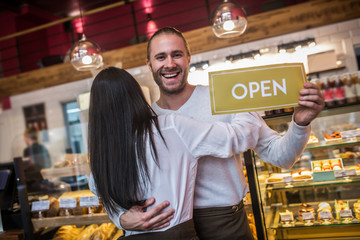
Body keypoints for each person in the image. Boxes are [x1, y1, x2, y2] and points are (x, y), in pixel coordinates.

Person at [114, 27, 325, 239]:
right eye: (161, 57)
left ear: (188, 58)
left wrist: (299, 124)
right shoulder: (143, 120)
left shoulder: (226, 100)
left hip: (227, 226)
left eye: (176, 54)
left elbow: (282, 156)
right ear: (149, 64)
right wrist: (121, 217)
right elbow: (115, 181)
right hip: (171, 229)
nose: (170, 63)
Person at [88, 67, 277, 239]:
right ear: (136, 95)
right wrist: (243, 102)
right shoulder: (170, 126)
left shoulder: (102, 152)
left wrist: (120, 218)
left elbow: (99, 192)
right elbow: (238, 138)